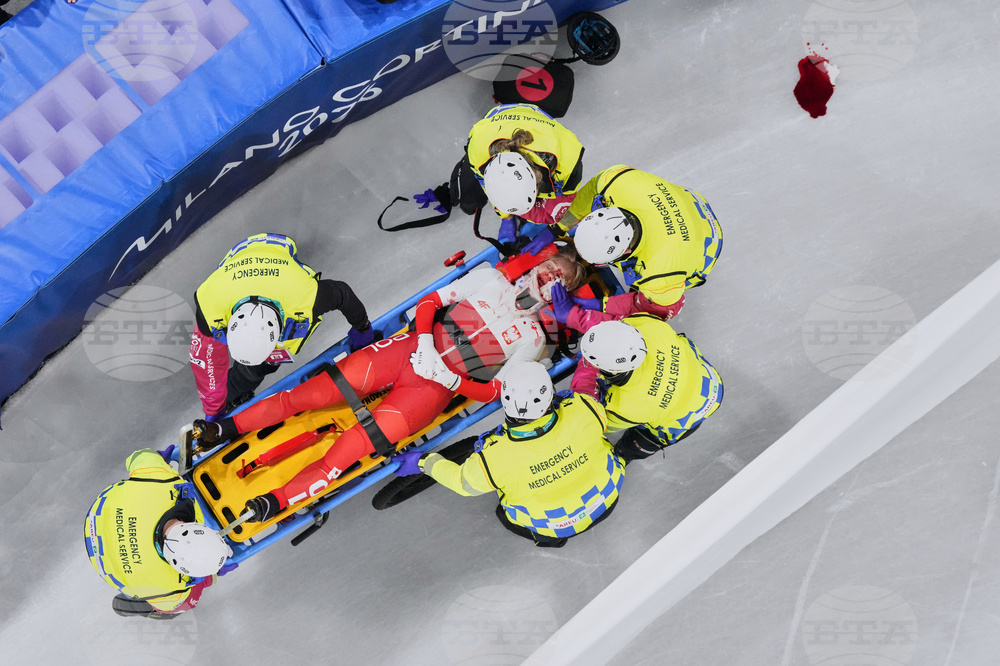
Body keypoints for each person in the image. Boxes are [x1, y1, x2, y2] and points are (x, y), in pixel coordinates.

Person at [195, 245, 590, 524]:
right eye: (554, 265)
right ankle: (222, 428)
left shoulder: (534, 341)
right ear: (541, 263)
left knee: (349, 451)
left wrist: (451, 378)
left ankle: (273, 502)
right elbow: (430, 303)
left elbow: (497, 392)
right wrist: (421, 341)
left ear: (561, 294)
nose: (553, 275)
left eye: (562, 279)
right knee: (307, 395)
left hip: (432, 392)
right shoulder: (490, 279)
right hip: (407, 350)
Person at [394, 361, 624, 547]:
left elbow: (463, 483)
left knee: (503, 513)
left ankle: (549, 538)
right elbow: (590, 404)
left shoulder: (495, 458)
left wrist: (424, 461)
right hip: (608, 499)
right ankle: (552, 538)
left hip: (555, 525)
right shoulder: (585, 409)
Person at [189, 232, 376, 419]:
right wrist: (214, 408)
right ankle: (241, 382)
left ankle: (250, 375)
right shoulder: (210, 306)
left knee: (265, 364)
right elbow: (207, 361)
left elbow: (342, 293)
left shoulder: (305, 296)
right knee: (253, 368)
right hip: (235, 268)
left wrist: (363, 328)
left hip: (279, 251)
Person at [84, 448, 234, 619]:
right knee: (176, 605)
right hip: (101, 535)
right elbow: (137, 458)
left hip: (101, 514)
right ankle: (146, 607)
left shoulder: (161, 484)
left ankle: (154, 608)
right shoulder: (168, 587)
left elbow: (137, 455)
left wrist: (207, 578)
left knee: (182, 604)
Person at [565, 165, 723, 321]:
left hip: (708, 243)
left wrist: (603, 305)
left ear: (626, 252)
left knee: (649, 300)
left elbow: (662, 309)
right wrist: (558, 225)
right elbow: (594, 187)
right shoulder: (617, 182)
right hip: (689, 201)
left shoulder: (660, 275)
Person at [572, 316, 723, 462]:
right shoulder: (648, 325)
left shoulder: (625, 406)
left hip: (688, 415)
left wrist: (584, 381)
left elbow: (597, 423)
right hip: (709, 382)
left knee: (638, 444)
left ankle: (622, 455)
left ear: (613, 371)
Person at [458, 103, 586, 249]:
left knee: (551, 215)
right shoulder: (477, 151)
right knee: (468, 202)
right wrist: (505, 216)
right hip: (493, 126)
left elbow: (553, 213)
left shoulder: (568, 164)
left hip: (540, 125)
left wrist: (551, 227)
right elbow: (489, 185)